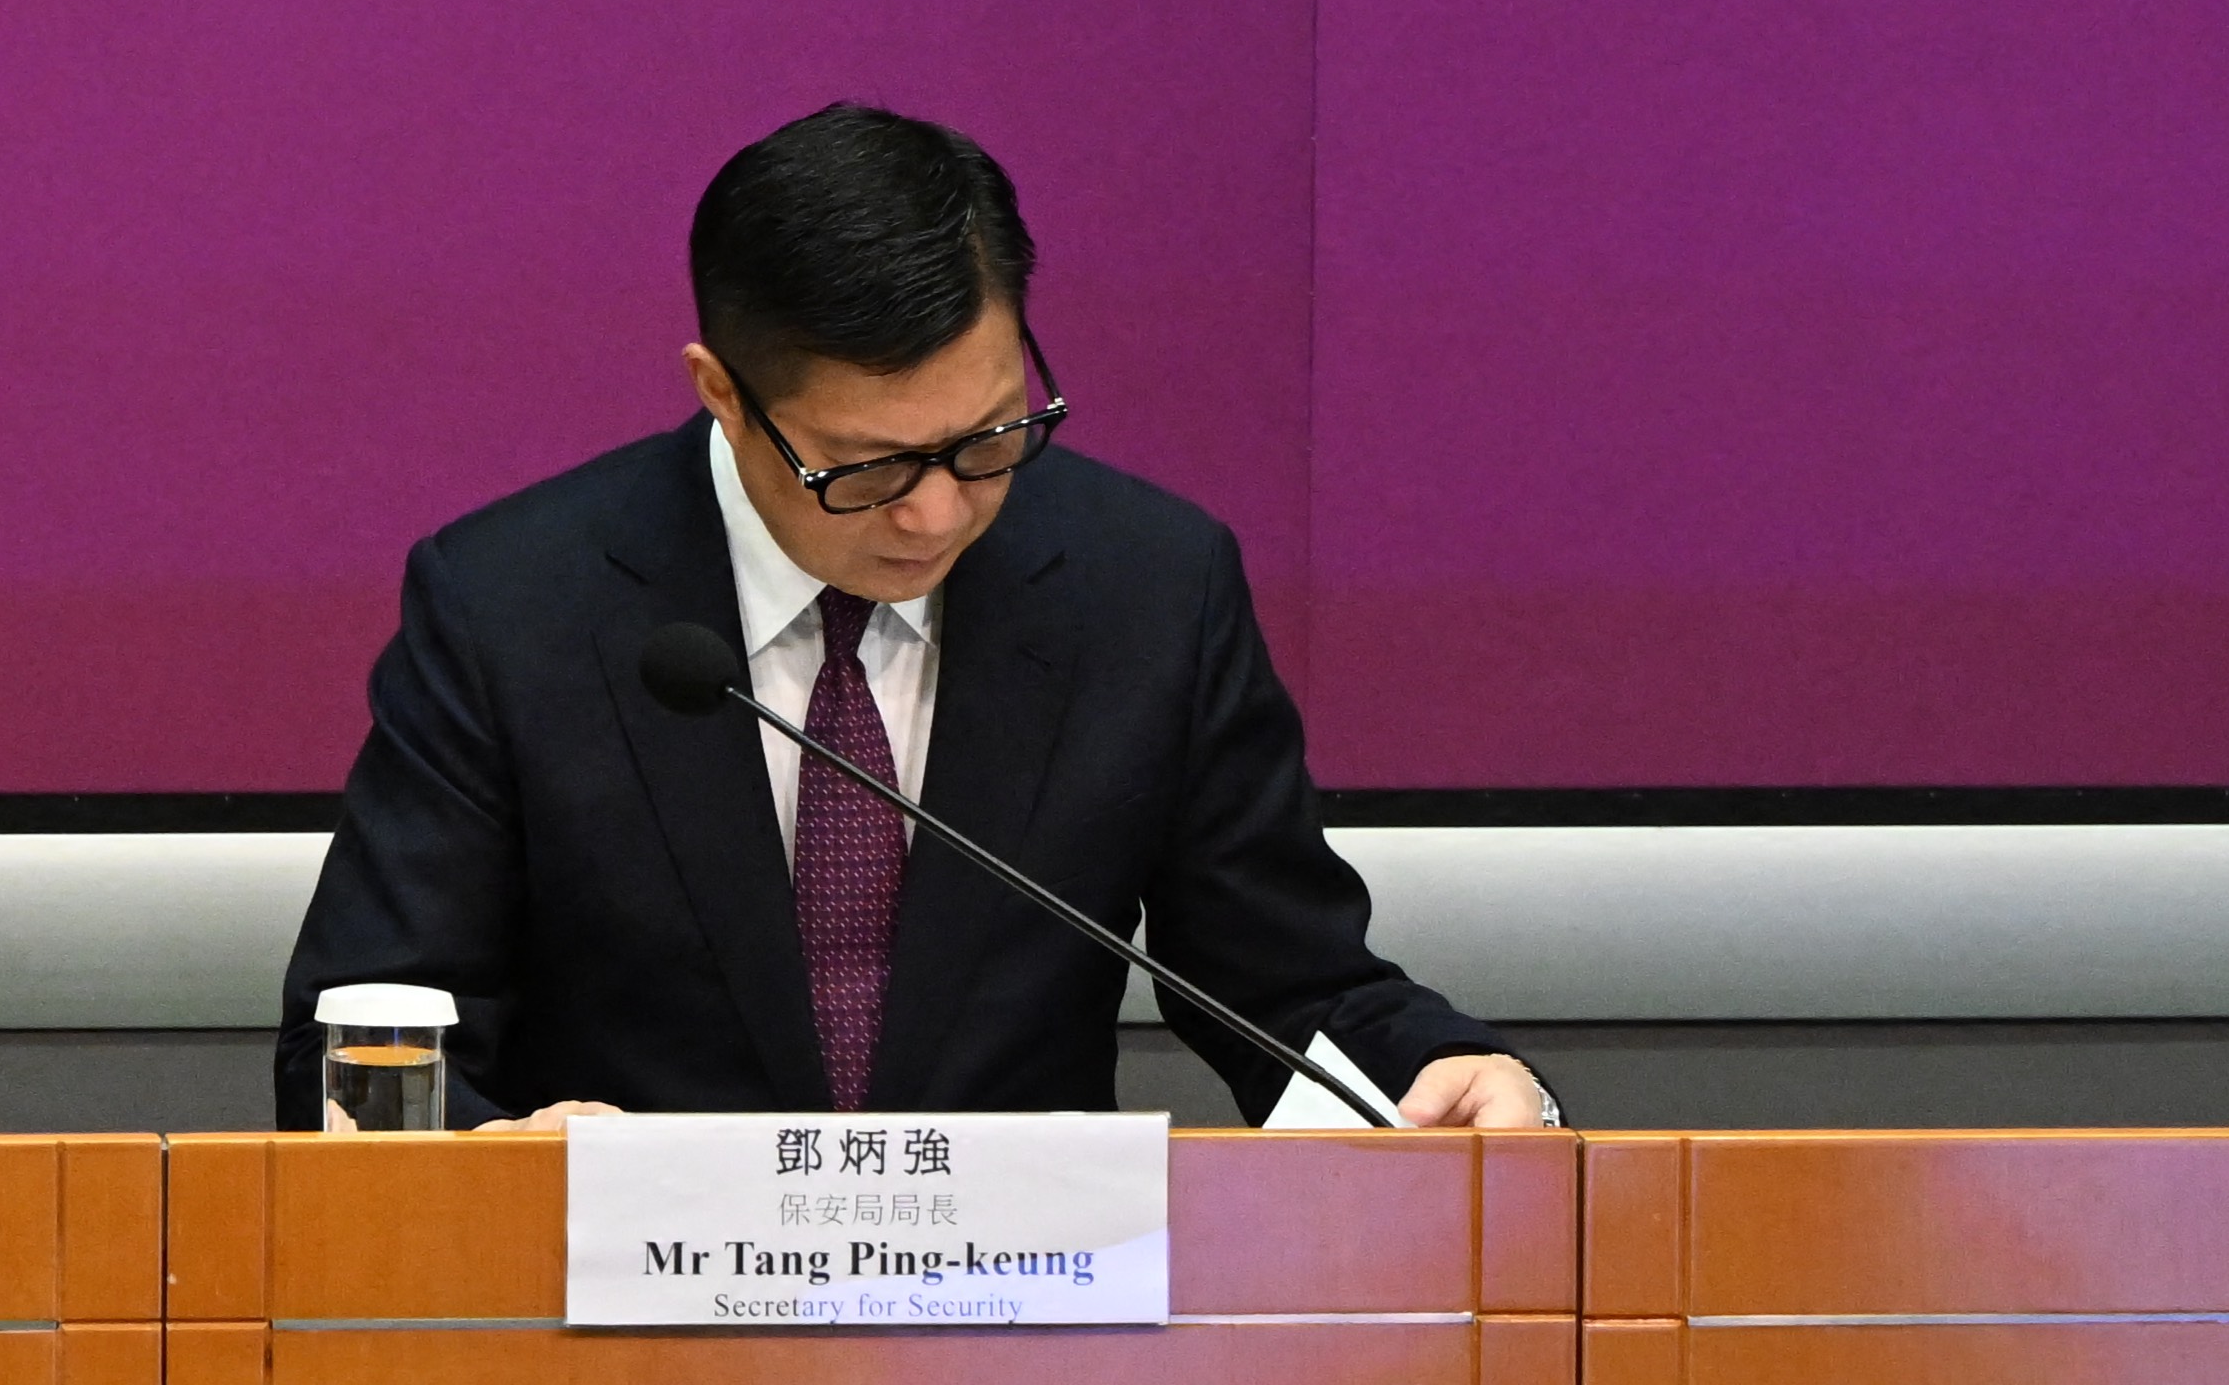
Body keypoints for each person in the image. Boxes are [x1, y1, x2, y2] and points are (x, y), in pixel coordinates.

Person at [272, 103, 1548, 1131]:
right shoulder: (512, 606)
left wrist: (1447, 1072)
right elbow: (364, 1031)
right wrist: (490, 1167)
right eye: (865, 467)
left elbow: (1289, 985)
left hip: (1013, 1332)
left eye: (990, 437)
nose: (936, 515)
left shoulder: (1145, 586)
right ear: (722, 393)